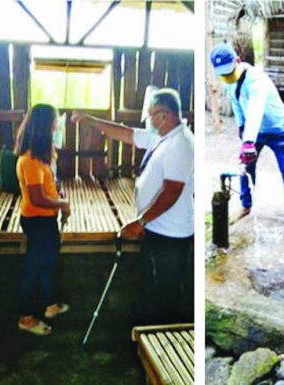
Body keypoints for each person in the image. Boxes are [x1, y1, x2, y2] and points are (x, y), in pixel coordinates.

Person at [71, 88, 194, 324]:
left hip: (171, 232)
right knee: (151, 277)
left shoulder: (181, 144)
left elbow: (171, 193)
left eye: (150, 116)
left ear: (164, 115)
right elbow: (126, 134)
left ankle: (162, 333)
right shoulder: (162, 134)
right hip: (157, 226)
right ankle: (146, 317)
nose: (147, 121)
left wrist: (141, 221)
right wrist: (92, 120)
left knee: (167, 285)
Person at [210, 42, 284, 219]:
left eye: (229, 72)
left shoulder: (257, 80)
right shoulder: (230, 83)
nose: (227, 76)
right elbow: (237, 105)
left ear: (238, 61)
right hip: (253, 132)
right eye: (222, 74)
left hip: (277, 129)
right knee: (245, 166)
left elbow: (256, 109)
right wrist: (241, 129)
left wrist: (248, 141)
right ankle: (246, 204)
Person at [15, 104, 71, 335]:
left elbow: (48, 187)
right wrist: (62, 204)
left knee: (47, 262)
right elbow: (37, 198)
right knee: (34, 267)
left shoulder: (43, 155)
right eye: (55, 123)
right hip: (37, 220)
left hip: (46, 219)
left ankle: (49, 305)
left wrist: (59, 196)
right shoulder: (29, 160)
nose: (57, 127)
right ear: (45, 127)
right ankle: (26, 318)